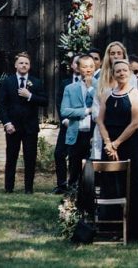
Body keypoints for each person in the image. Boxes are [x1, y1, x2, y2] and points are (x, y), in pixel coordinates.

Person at [97, 59, 138, 240]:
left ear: (130, 73)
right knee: (110, 185)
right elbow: (100, 120)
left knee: (129, 185)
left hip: (127, 145)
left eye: (125, 70)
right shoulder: (106, 94)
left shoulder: (137, 94)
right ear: (113, 74)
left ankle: (132, 231)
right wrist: (108, 143)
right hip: (109, 146)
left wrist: (117, 143)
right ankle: (109, 228)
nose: (122, 73)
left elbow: (135, 123)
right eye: (118, 71)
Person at [0, 52, 47, 194]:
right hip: (12, 127)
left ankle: (28, 189)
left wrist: (30, 96)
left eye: (26, 63)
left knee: (30, 158)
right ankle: (8, 188)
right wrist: (7, 123)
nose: (24, 65)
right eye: (21, 63)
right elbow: (2, 104)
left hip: (30, 127)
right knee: (11, 157)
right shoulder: (8, 81)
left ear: (29, 66)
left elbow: (45, 101)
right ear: (15, 65)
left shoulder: (36, 82)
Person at [92, 42, 135, 158]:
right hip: (104, 128)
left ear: (123, 56)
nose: (115, 56)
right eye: (112, 53)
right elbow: (96, 106)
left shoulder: (131, 78)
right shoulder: (101, 79)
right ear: (108, 56)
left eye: (119, 53)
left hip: (124, 129)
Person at [61, 55, 96, 188]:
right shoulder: (70, 88)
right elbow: (65, 111)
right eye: (85, 66)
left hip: (93, 135)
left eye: (91, 66)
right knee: (74, 170)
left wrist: (91, 88)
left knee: (90, 172)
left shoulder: (100, 86)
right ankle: (70, 203)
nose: (88, 70)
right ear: (78, 68)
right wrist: (86, 111)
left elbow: (101, 104)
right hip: (76, 133)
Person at [53, 55, 82, 194]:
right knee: (59, 154)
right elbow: (59, 103)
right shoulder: (65, 83)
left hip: (82, 126)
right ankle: (61, 185)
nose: (79, 65)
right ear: (72, 65)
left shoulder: (89, 83)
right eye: (76, 62)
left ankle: (74, 184)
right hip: (67, 125)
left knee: (75, 156)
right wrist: (64, 120)